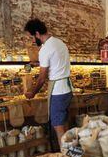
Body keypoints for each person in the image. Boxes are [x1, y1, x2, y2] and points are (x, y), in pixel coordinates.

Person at [24, 18, 73, 147]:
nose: (33, 41)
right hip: (67, 89)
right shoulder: (59, 43)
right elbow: (56, 62)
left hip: (57, 92)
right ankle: (71, 154)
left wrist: (32, 93)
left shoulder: (45, 50)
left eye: (32, 37)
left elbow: (41, 78)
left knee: (58, 126)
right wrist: (39, 64)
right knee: (64, 122)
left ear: (37, 33)